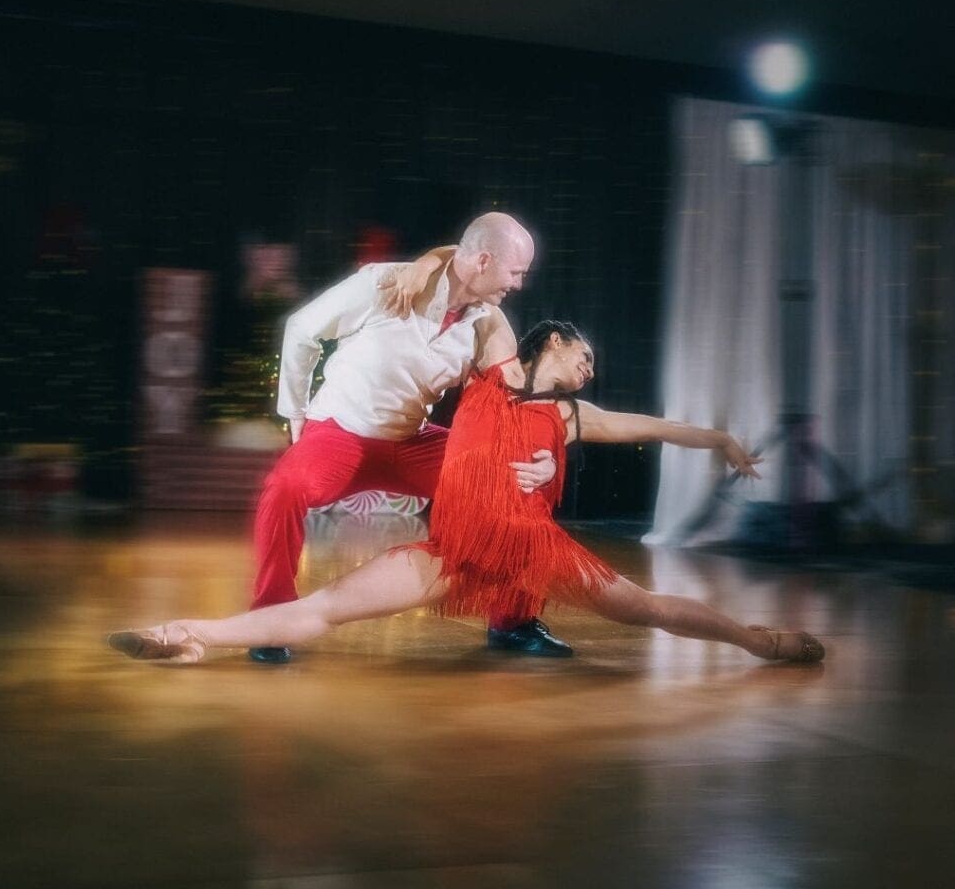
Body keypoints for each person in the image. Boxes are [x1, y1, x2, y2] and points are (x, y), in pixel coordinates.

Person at [110, 320, 826, 666]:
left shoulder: (570, 415)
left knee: (648, 609)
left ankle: (756, 641)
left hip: (530, 547)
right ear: (553, 340)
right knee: (324, 609)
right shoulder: (491, 371)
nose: (589, 369)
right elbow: (484, 289)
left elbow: (654, 425)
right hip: (454, 551)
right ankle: (188, 635)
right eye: (584, 355)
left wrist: (720, 440)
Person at [248, 212, 571, 664]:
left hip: (410, 439)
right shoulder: (387, 283)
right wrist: (295, 411)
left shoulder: (488, 325)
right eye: (515, 272)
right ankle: (270, 618)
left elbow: (515, 404)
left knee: (513, 485)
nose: (519, 284)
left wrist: (542, 455)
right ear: (483, 261)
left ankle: (512, 621)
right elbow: (303, 328)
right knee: (283, 488)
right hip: (340, 433)